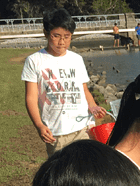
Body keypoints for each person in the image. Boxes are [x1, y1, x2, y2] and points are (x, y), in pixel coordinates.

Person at [22, 8, 106, 156]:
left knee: (88, 169)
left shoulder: (76, 59)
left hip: (83, 128)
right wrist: (39, 125)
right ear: (46, 33)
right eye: (56, 36)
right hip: (56, 132)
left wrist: (92, 107)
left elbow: (83, 89)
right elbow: (31, 97)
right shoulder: (34, 61)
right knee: (62, 174)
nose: (62, 42)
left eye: (67, 37)